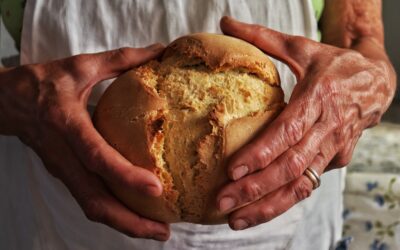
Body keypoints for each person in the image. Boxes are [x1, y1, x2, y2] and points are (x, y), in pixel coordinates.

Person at [0, 0, 396, 249]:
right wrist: (12, 99)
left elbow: (359, 36)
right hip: (59, 207)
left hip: (291, 213)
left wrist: (370, 81)